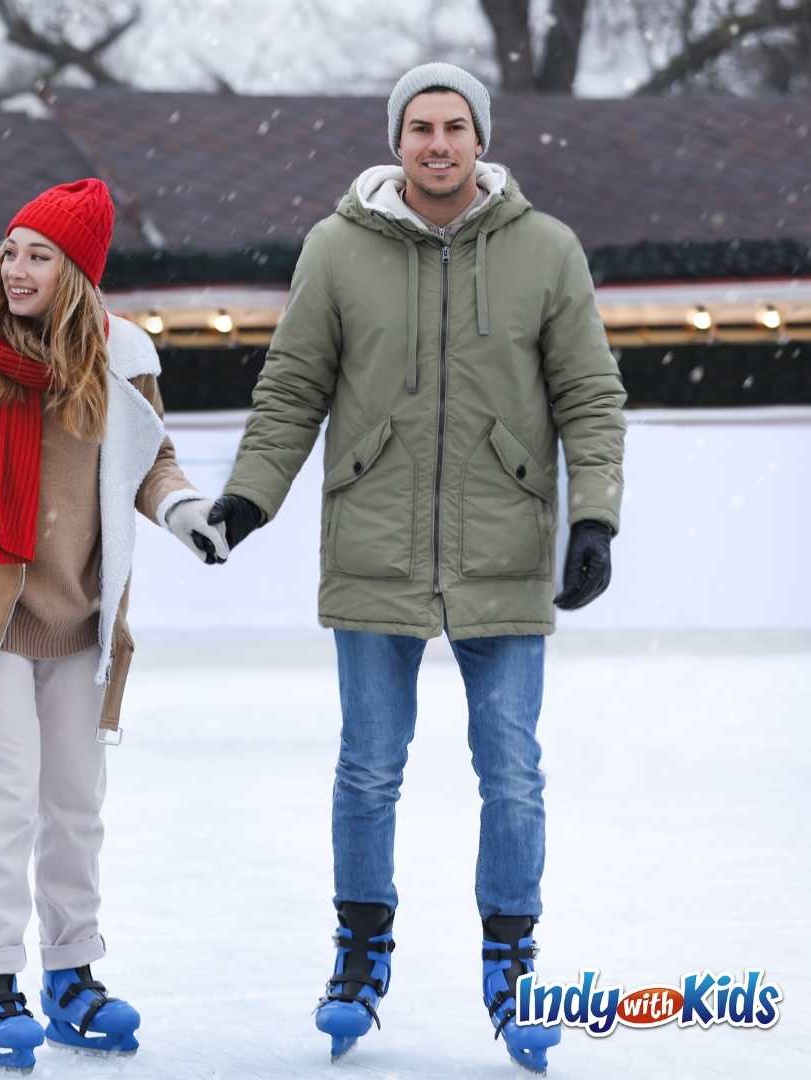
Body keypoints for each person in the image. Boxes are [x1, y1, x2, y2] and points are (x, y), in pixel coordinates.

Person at [203, 63, 626, 1073]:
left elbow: (590, 398)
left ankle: (514, 962)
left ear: (480, 139)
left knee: (512, 774)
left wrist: (594, 520)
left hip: (505, 549)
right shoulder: (338, 250)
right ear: (398, 142)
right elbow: (292, 386)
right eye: (421, 129)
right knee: (368, 768)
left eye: (455, 127)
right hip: (376, 545)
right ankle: (361, 953)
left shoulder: (545, 252)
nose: (438, 145)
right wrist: (250, 495)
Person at [0, 177, 228, 1072]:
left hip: (82, 615)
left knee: (74, 806)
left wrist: (185, 515)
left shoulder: (123, 360)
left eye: (40, 256)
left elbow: (153, 460)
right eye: (12, 251)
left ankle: (72, 976)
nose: (16, 270)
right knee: (1, 804)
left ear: (79, 275)